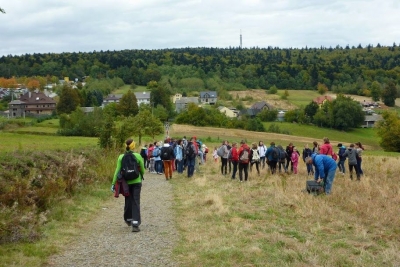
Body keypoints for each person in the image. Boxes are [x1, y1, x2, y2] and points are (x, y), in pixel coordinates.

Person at [111, 138, 145, 232]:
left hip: (126, 183)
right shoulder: (138, 156)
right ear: (133, 146)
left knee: (128, 200)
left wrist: (113, 183)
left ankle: (128, 219)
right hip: (137, 182)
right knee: (136, 201)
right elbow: (143, 169)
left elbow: (117, 171)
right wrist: (141, 173)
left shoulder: (121, 157)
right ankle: (135, 224)